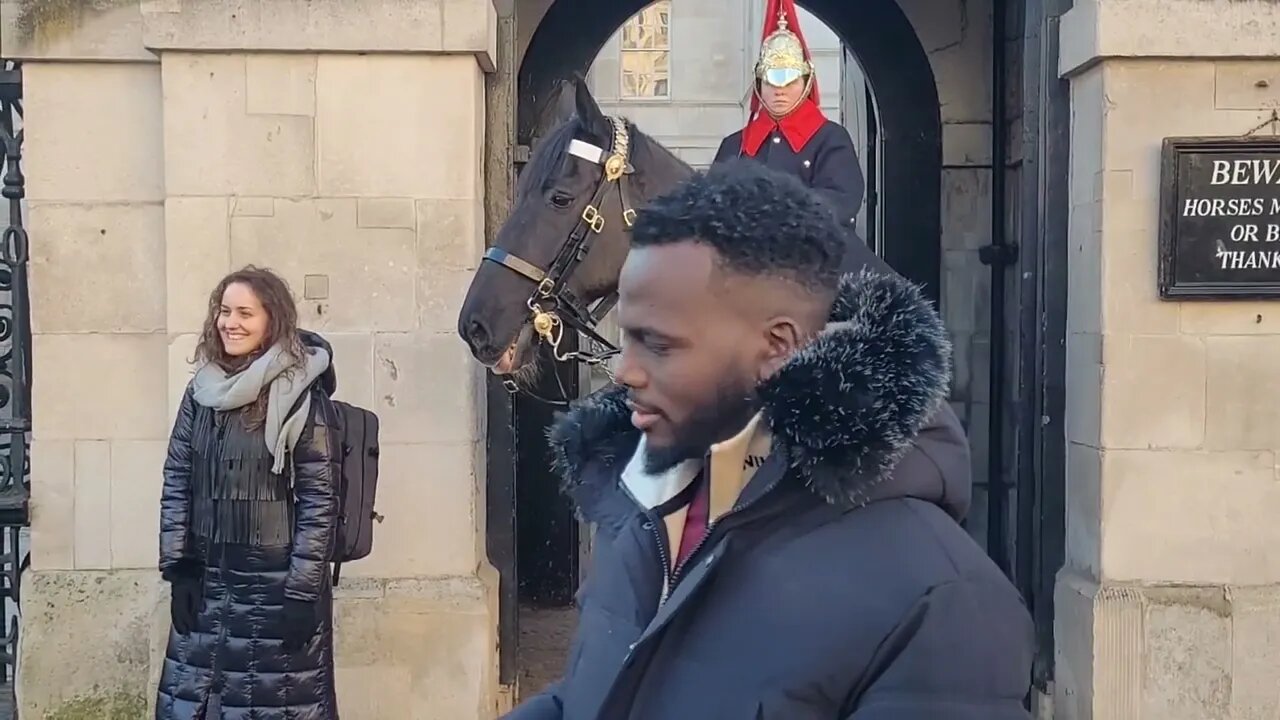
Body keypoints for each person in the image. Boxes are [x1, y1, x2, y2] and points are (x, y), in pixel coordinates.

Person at [503, 161, 1034, 720]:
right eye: (625, 338)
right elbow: (593, 697)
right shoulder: (641, 506)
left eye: (657, 344)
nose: (623, 372)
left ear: (777, 346)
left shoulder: (941, 600)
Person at [155, 266, 342, 720]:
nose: (230, 322)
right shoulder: (200, 392)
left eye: (245, 313)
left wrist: (302, 594)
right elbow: (177, 479)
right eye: (224, 311)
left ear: (271, 321)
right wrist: (178, 566)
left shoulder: (299, 393)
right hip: (208, 581)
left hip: (275, 588)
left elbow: (320, 503)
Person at [713, 0, 866, 235]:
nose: (779, 89)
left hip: (814, 251)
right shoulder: (734, 145)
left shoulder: (830, 138)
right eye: (770, 81)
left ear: (806, 83)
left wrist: (776, 215)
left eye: (790, 80)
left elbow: (841, 200)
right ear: (759, 84)